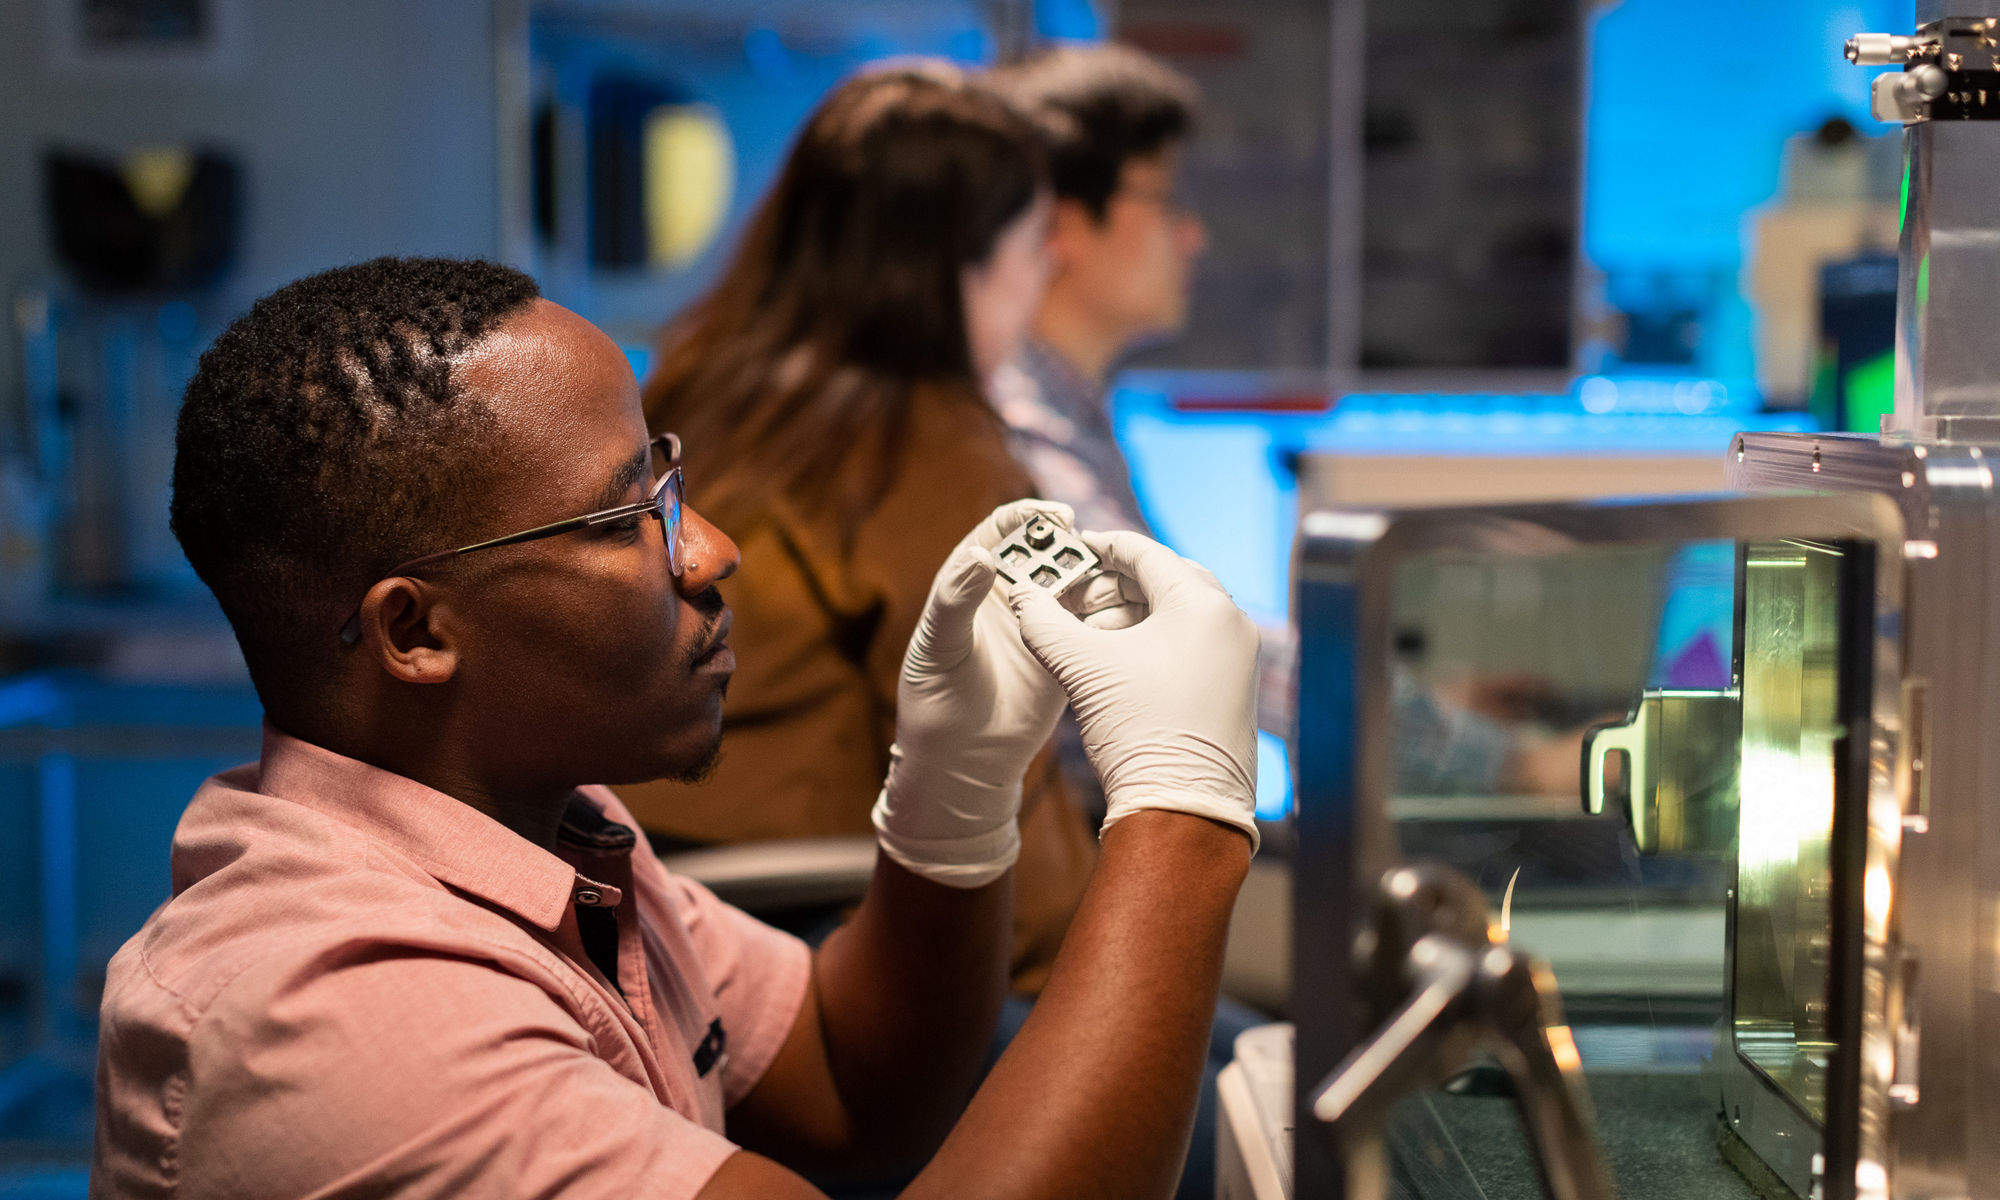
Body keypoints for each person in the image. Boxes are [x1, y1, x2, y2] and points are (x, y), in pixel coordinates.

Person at [93, 255, 1262, 1199]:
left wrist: (951, 785)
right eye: (623, 521)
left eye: (668, 484)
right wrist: (1181, 811)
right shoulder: (343, 1019)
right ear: (413, 633)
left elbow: (853, 1080)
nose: (708, 552)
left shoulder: (545, 832)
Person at [614, 65, 1094, 1000]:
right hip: (830, 953)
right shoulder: (927, 449)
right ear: (961, 263)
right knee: (1249, 1090)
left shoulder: (688, 393)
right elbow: (994, 776)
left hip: (662, 917)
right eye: (1036, 244)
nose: (1046, 275)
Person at [986, 44, 1206, 539]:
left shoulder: (1069, 412)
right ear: (1061, 223)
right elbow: (1123, 612)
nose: (1193, 236)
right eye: (1164, 199)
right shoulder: (1014, 432)